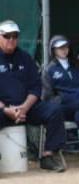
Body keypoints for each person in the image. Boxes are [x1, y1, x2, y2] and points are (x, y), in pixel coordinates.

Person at [0, 20, 66, 172]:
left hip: (26, 108)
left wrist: (24, 108)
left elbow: (36, 87)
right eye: (7, 36)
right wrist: (5, 110)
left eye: (15, 36)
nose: (11, 40)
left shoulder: (25, 58)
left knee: (54, 110)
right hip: (3, 109)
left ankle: (48, 156)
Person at [42, 35, 79, 170]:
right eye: (60, 48)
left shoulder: (78, 65)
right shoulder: (50, 69)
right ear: (53, 50)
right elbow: (47, 96)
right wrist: (63, 99)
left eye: (66, 47)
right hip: (64, 108)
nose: (64, 50)